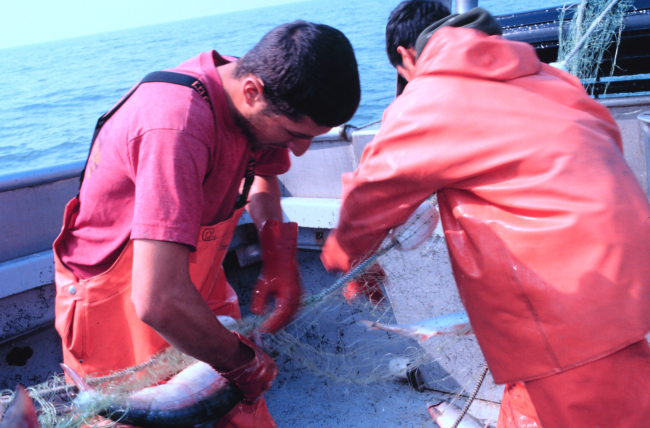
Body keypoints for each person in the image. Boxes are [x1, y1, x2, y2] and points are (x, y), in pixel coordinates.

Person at [320, 1, 650, 427]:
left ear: (405, 56)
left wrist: (344, 262)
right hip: (631, 291)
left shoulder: (427, 99)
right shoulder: (552, 79)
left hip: (567, 318)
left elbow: (367, 198)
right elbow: (605, 143)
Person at [53, 20, 360, 428]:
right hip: (118, 302)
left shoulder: (252, 87)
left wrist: (277, 254)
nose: (301, 150)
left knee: (244, 414)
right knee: (128, 417)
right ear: (252, 91)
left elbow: (265, 175)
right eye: (293, 133)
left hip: (194, 279)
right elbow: (157, 299)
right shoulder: (176, 127)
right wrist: (239, 363)